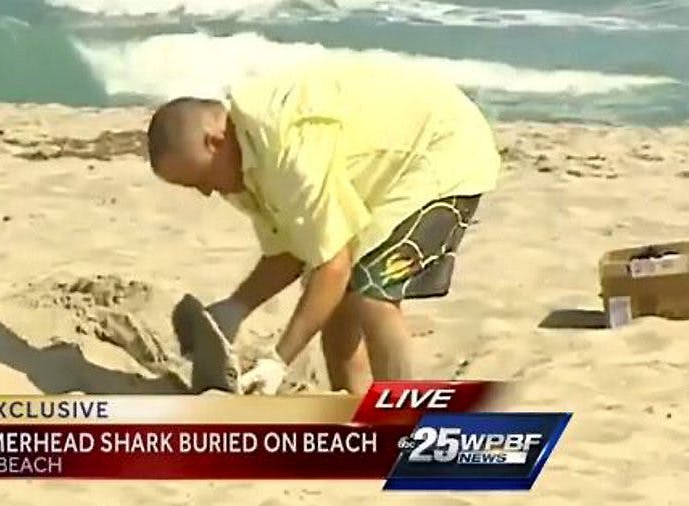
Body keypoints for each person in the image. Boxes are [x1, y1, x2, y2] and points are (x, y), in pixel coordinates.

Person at [146, 57, 500, 395]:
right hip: (383, 173)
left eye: (200, 179)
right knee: (335, 311)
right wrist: (235, 307)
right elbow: (292, 251)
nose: (207, 192)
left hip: (443, 149)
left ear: (215, 142)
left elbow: (334, 266)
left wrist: (279, 360)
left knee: (371, 288)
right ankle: (356, 410)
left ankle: (404, 423)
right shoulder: (241, 167)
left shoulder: (288, 149)